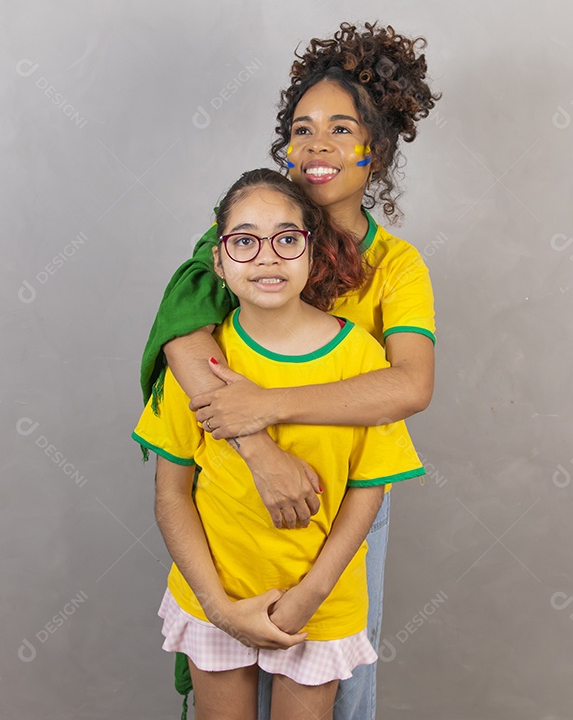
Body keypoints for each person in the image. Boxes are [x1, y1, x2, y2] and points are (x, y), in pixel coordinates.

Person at [138, 21, 440, 720]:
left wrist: (267, 407)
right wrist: (256, 448)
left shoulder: (396, 267)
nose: (317, 146)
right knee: (231, 660)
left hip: (344, 498)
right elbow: (183, 343)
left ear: (379, 148)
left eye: (341, 129)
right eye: (302, 129)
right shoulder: (247, 232)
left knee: (336, 682)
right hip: (235, 495)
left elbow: (408, 385)